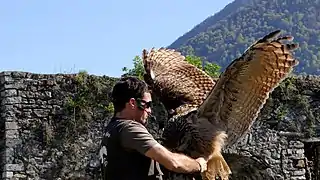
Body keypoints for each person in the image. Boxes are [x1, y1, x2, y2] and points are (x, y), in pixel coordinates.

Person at [99, 76, 208, 180]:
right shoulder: (130, 129)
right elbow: (173, 162)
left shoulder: (111, 129)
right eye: (147, 104)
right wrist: (199, 164)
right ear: (132, 103)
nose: (150, 110)